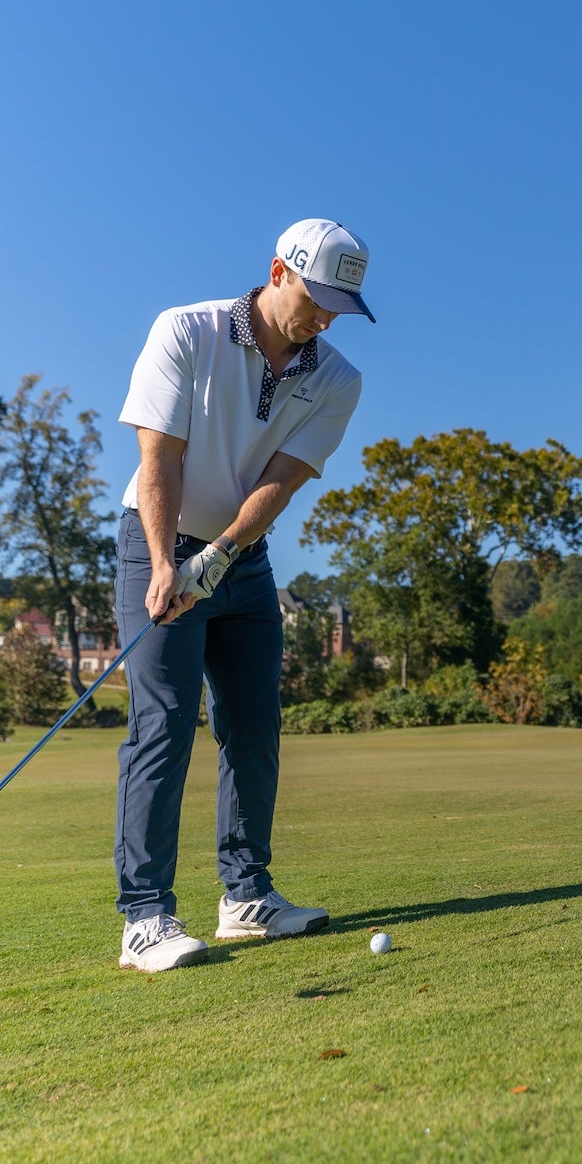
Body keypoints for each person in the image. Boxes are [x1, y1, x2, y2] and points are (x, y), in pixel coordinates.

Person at [110, 218, 372, 972]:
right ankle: (145, 917)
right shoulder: (185, 332)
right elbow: (159, 458)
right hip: (156, 540)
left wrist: (221, 555)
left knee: (253, 724)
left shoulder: (338, 379)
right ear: (278, 272)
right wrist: (167, 564)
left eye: (340, 306)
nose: (324, 318)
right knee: (164, 723)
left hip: (242, 559)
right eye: (317, 298)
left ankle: (246, 898)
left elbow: (279, 482)